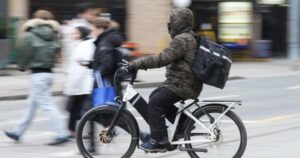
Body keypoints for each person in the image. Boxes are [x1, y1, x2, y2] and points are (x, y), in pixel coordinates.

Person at [127, 8, 203, 152]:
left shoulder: (182, 40)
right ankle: (184, 123)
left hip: (183, 84)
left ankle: (159, 140)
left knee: (155, 103)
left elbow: (162, 58)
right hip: (184, 82)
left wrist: (137, 63)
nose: (169, 24)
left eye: (171, 21)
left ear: (178, 22)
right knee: (155, 96)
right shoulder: (188, 36)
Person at [4, 10, 70, 145]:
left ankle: (62, 132)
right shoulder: (54, 34)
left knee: (47, 105)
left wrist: (21, 66)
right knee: (31, 105)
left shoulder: (30, 34)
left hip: (37, 75)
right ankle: (18, 131)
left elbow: (24, 52)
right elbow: (58, 51)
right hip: (48, 73)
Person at [63, 26, 95, 138]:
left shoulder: (85, 45)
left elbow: (82, 65)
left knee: (84, 109)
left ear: (82, 34)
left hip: (82, 84)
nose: (73, 35)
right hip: (78, 84)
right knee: (75, 108)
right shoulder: (80, 44)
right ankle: (72, 130)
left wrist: (74, 84)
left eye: (76, 33)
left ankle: (90, 132)